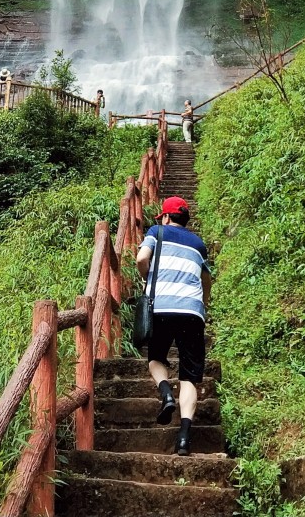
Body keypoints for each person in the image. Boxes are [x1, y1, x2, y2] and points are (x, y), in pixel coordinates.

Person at [136, 194, 211, 456]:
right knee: (190, 376)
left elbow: (141, 259)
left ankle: (166, 393)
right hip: (192, 311)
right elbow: (206, 281)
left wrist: (149, 278)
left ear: (166, 217)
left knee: (156, 358)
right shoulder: (199, 244)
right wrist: (202, 306)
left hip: (162, 307)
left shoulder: (156, 231)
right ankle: (183, 439)